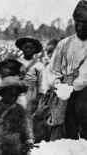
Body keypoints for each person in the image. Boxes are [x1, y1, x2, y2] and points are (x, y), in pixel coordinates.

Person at [48, 0, 87, 141]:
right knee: (68, 132)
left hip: (85, 94)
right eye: (79, 22)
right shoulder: (64, 44)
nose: (82, 26)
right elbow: (53, 70)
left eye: (86, 22)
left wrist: (76, 85)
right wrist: (58, 85)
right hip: (66, 95)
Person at [15, 36, 45, 143]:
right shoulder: (17, 62)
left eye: (31, 48)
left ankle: (29, 140)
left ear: (35, 50)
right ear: (21, 48)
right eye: (26, 47)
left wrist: (40, 98)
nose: (28, 50)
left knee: (28, 116)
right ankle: (18, 139)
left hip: (31, 92)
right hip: (18, 91)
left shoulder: (39, 65)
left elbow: (41, 83)